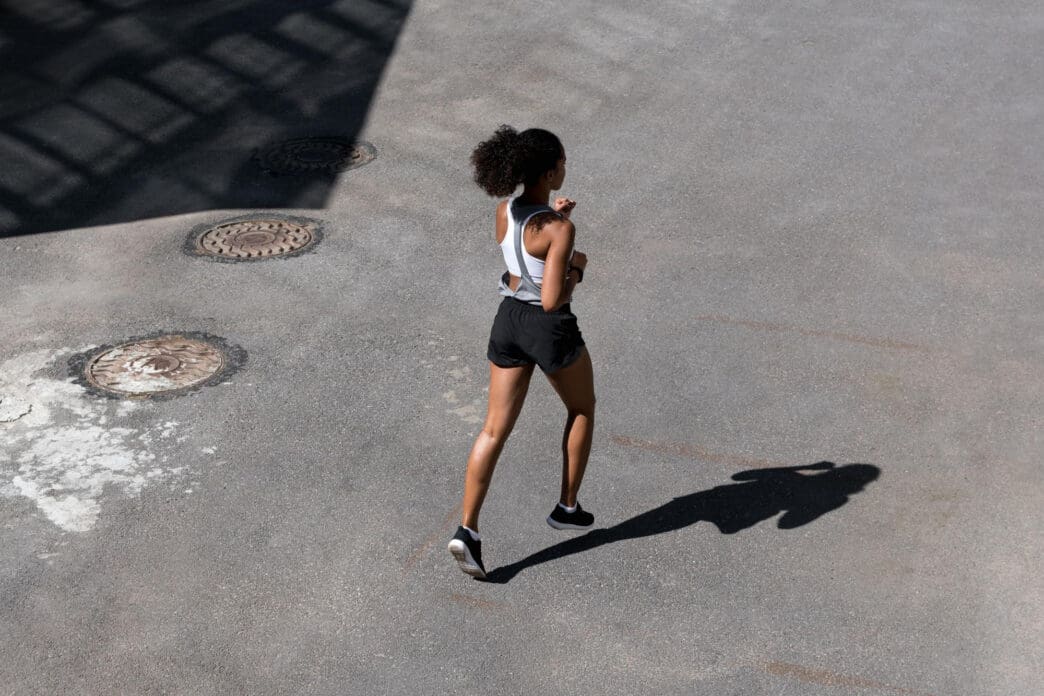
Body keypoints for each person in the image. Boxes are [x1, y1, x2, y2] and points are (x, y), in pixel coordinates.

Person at [447, 126, 597, 579]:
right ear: (552, 170)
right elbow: (553, 299)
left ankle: (467, 530)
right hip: (546, 328)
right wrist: (577, 265)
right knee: (582, 408)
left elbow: (526, 252)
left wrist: (552, 218)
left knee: (493, 429)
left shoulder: (504, 210)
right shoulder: (559, 230)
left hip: (507, 320)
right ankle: (566, 506)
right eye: (563, 163)